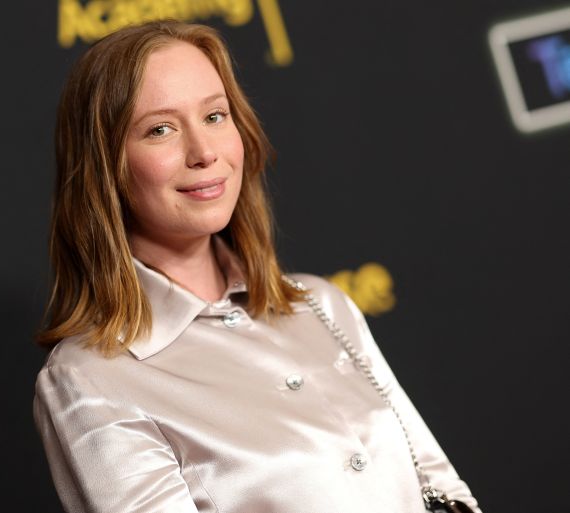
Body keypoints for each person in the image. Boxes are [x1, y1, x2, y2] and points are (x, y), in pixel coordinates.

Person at [33, 20, 481, 513]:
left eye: (215, 116)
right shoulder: (90, 378)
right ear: (105, 168)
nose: (204, 152)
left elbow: (445, 490)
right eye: (160, 129)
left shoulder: (320, 302)